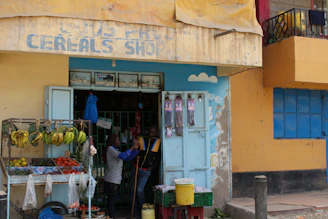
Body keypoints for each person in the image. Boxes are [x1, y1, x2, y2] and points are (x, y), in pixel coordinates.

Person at [104, 134, 139, 219]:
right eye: (118, 139)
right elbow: (123, 156)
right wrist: (132, 147)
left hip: (115, 179)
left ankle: (112, 216)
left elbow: (126, 158)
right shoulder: (110, 149)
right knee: (111, 200)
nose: (119, 141)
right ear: (113, 141)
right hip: (111, 179)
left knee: (112, 199)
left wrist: (135, 149)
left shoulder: (115, 150)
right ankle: (112, 217)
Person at [130, 125, 161, 218]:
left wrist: (152, 167)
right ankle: (134, 211)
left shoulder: (158, 141)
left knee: (139, 190)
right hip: (136, 167)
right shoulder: (141, 139)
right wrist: (135, 157)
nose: (151, 134)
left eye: (153, 133)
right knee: (133, 191)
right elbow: (135, 151)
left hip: (146, 171)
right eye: (150, 132)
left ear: (156, 132)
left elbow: (158, 157)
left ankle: (142, 208)